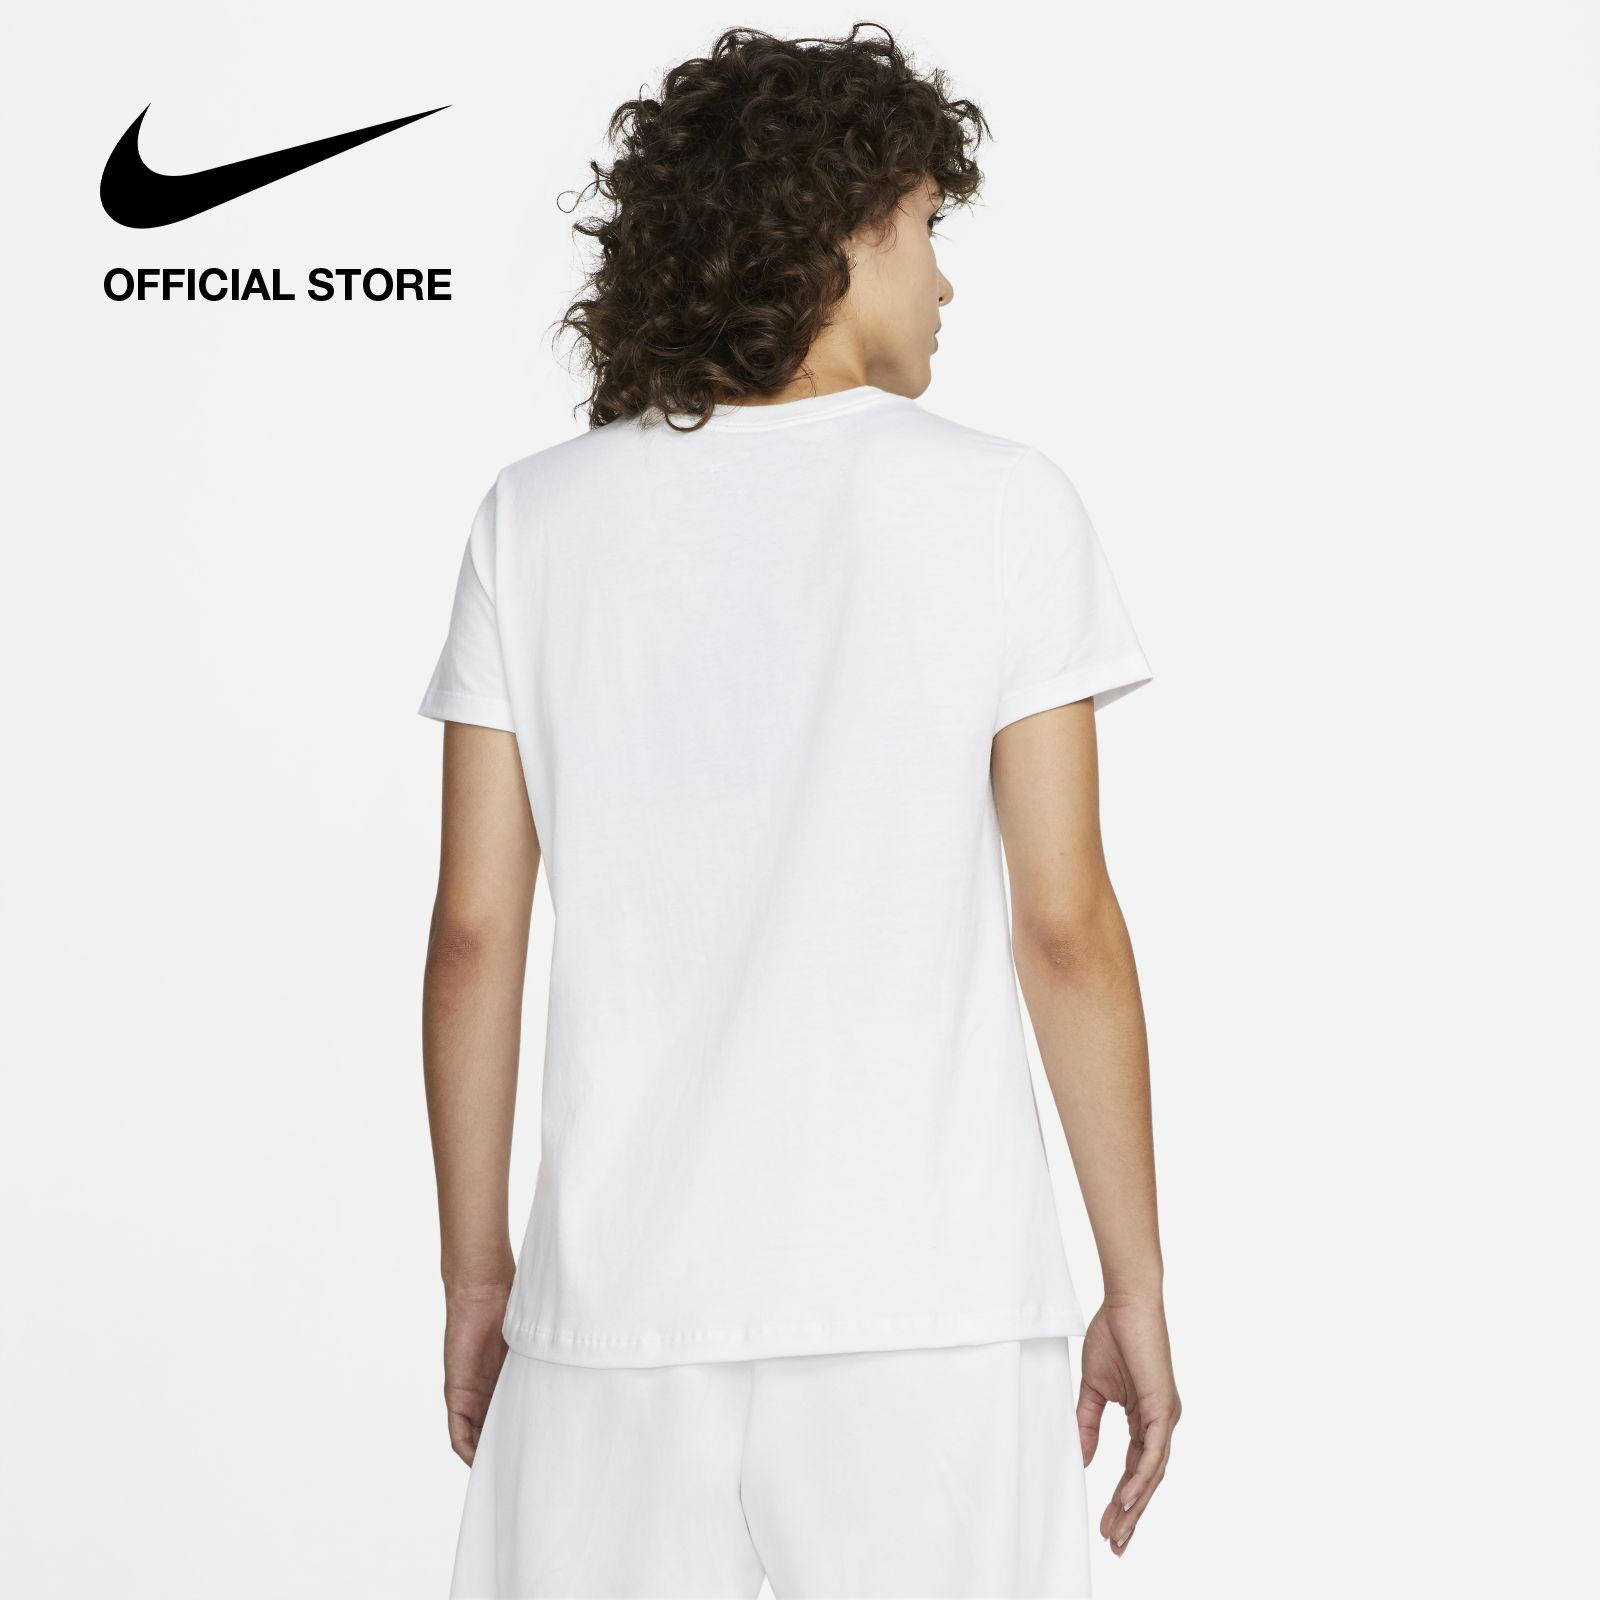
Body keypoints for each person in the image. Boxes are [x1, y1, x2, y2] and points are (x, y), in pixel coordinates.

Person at [419, 22, 1179, 1599]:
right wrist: (1136, 1283)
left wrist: (480, 1277)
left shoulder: (535, 520)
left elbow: (476, 933)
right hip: (934, 1315)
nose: (945, 282)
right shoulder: (1001, 504)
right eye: (927, 228)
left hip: (615, 1318)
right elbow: (1064, 926)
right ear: (839, 228)